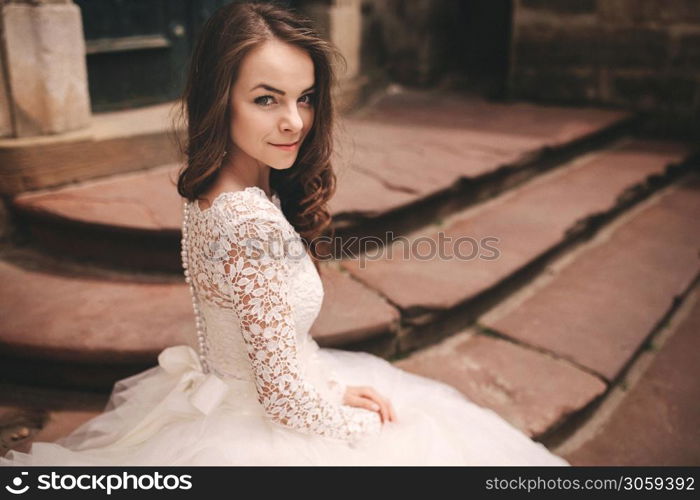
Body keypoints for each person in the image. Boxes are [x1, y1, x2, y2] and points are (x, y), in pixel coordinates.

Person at [1, 2, 570, 466]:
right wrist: (360, 429)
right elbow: (281, 400)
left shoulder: (217, 193)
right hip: (261, 429)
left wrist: (332, 387)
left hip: (241, 396)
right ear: (219, 98)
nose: (295, 121)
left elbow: (268, 352)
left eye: (305, 98)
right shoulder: (246, 222)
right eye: (266, 98)